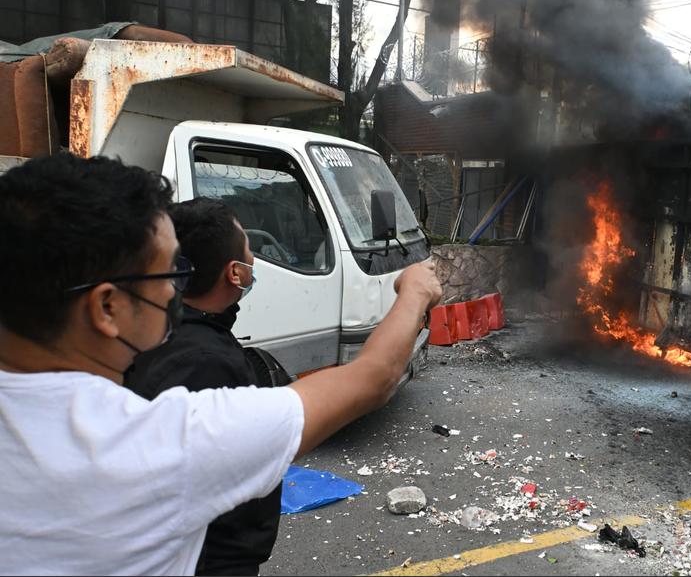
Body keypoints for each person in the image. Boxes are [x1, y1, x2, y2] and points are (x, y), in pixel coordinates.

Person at [0, 152, 441, 575]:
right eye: (168, 275)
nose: (177, 291)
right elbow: (373, 376)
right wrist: (415, 290)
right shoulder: (161, 443)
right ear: (108, 308)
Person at [123, 198, 284, 576]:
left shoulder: (155, 330)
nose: (253, 260)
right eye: (248, 251)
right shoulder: (207, 361)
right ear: (235, 274)